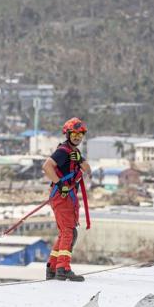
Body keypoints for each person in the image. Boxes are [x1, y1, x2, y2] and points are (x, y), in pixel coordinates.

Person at [42, 117, 92, 282]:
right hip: (62, 195)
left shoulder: (74, 152)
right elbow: (47, 166)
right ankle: (63, 268)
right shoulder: (63, 151)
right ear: (68, 134)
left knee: (67, 232)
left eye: (80, 134)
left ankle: (53, 267)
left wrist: (79, 159)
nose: (77, 137)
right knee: (68, 232)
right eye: (74, 134)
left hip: (66, 196)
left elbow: (88, 169)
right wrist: (60, 183)